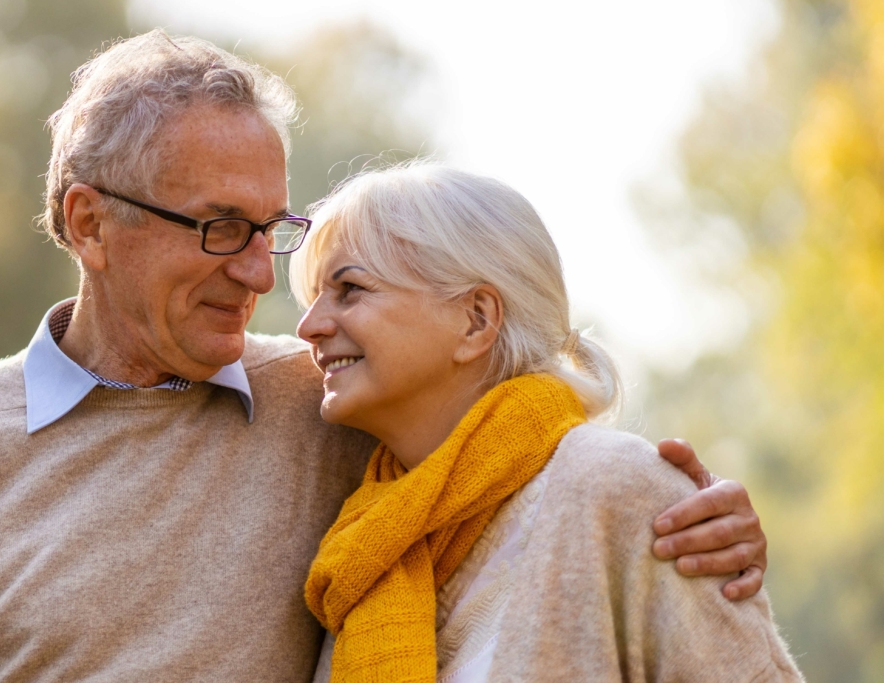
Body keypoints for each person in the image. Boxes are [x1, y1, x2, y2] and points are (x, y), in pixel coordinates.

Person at [0, 31, 765, 681]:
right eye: (220, 228)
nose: (263, 275)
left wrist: (696, 519)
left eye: (271, 229)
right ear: (91, 223)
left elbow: (506, 439)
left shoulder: (332, 404)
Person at [294, 163, 803, 682]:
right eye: (313, 298)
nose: (308, 326)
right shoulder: (363, 545)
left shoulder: (616, 487)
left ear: (476, 320)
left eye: (350, 289)